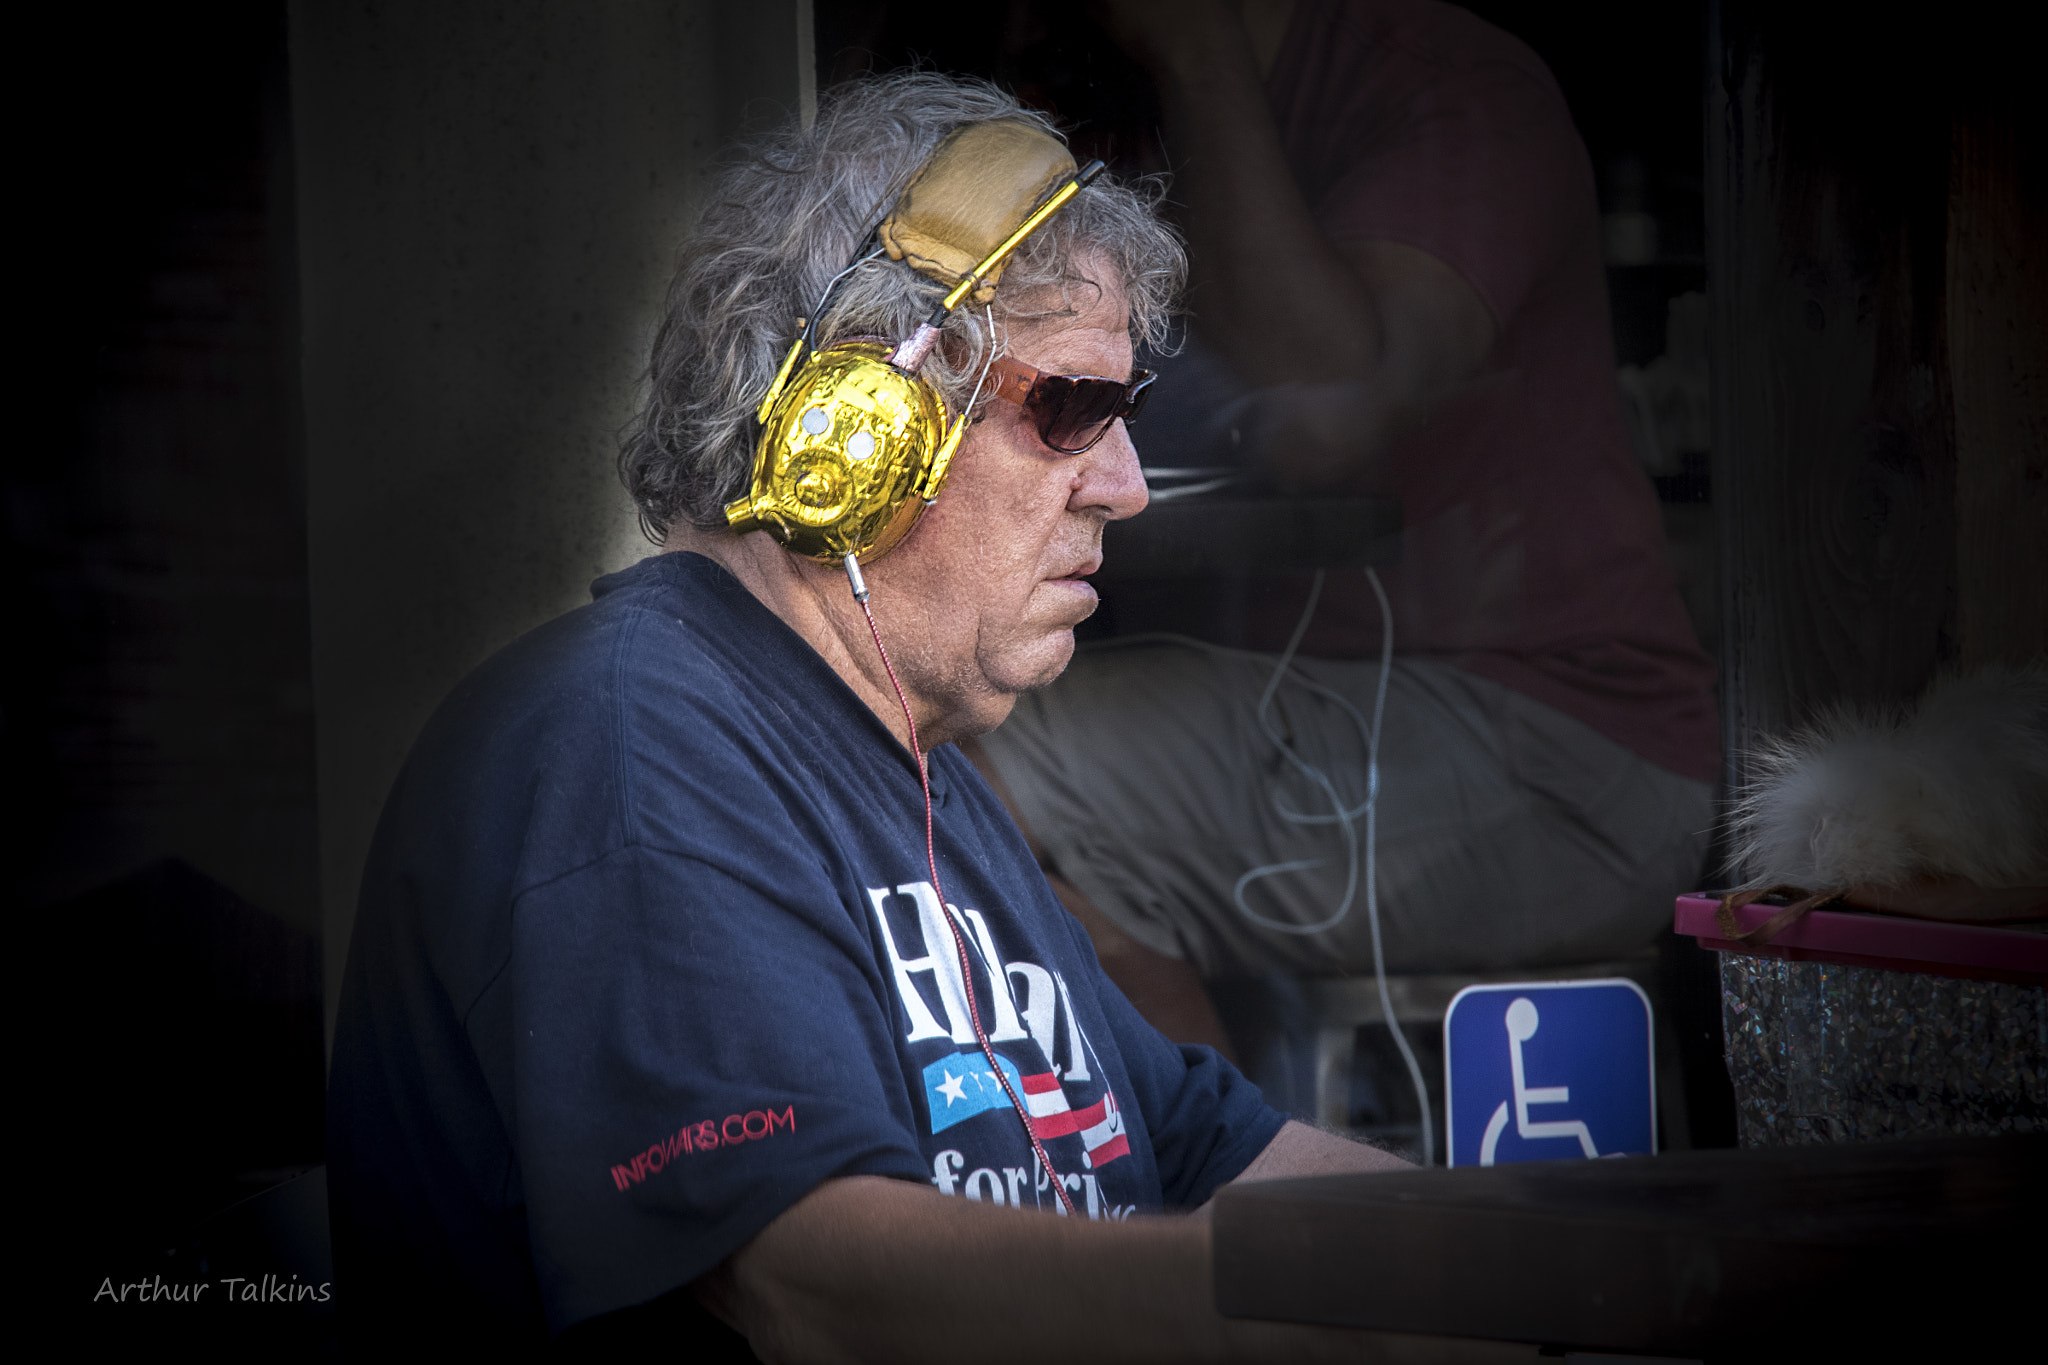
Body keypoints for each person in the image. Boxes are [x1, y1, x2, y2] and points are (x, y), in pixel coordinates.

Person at [325, 71, 1529, 1361]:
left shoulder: (909, 763)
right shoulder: (629, 746)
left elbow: (1194, 1142)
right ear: (855, 426)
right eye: (1070, 407)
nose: (1123, 488)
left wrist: (1543, 1271)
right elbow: (819, 1285)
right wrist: (1358, 1326)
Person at [971, 0, 1719, 1052]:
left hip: (1548, 746)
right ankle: (1193, 1132)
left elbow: (1335, 406)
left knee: (963, 765)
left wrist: (1197, 50)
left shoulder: (1449, 88)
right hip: (1316, 713)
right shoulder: (1103, 108)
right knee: (951, 755)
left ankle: (1201, 1173)